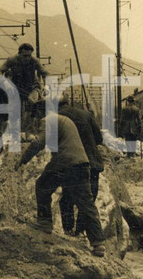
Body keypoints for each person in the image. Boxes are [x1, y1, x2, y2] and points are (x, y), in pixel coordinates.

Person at [19, 102, 106, 257]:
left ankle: (45, 223)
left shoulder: (48, 120)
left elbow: (39, 142)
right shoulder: (64, 120)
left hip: (65, 161)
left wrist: (23, 159)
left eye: (36, 118)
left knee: (42, 185)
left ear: (40, 113)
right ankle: (98, 243)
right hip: (82, 163)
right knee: (85, 203)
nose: (36, 122)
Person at [58, 98, 104, 235]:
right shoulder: (86, 114)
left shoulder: (59, 118)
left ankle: (69, 230)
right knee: (89, 201)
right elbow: (99, 139)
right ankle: (81, 232)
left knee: (67, 198)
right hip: (93, 162)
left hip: (73, 163)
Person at [0, 43, 48, 125]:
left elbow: (46, 74)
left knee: (33, 103)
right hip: (17, 88)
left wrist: (47, 87)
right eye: (24, 56)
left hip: (32, 87)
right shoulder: (12, 60)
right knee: (15, 112)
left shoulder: (34, 61)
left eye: (29, 55)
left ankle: (35, 125)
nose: (27, 58)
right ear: (19, 54)